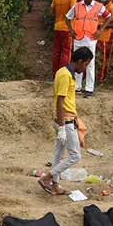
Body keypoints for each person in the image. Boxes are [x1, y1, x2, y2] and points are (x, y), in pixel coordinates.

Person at [37, 46, 94, 196]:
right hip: (66, 120)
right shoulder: (65, 75)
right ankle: (47, 178)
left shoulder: (65, 73)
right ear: (80, 61)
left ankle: (55, 185)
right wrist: (62, 127)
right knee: (75, 155)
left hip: (64, 119)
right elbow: (60, 101)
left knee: (58, 155)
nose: (86, 67)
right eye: (86, 64)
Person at [66, 0, 112, 98]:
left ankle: (89, 87)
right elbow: (67, 17)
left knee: (90, 62)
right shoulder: (77, 6)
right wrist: (71, 30)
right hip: (79, 37)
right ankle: (77, 86)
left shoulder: (98, 6)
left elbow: (109, 17)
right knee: (77, 61)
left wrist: (100, 30)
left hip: (91, 38)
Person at [50, 0, 77, 77]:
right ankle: (63, 74)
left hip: (57, 27)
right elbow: (74, 11)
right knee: (66, 52)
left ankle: (55, 74)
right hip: (67, 29)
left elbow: (52, 11)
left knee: (57, 51)